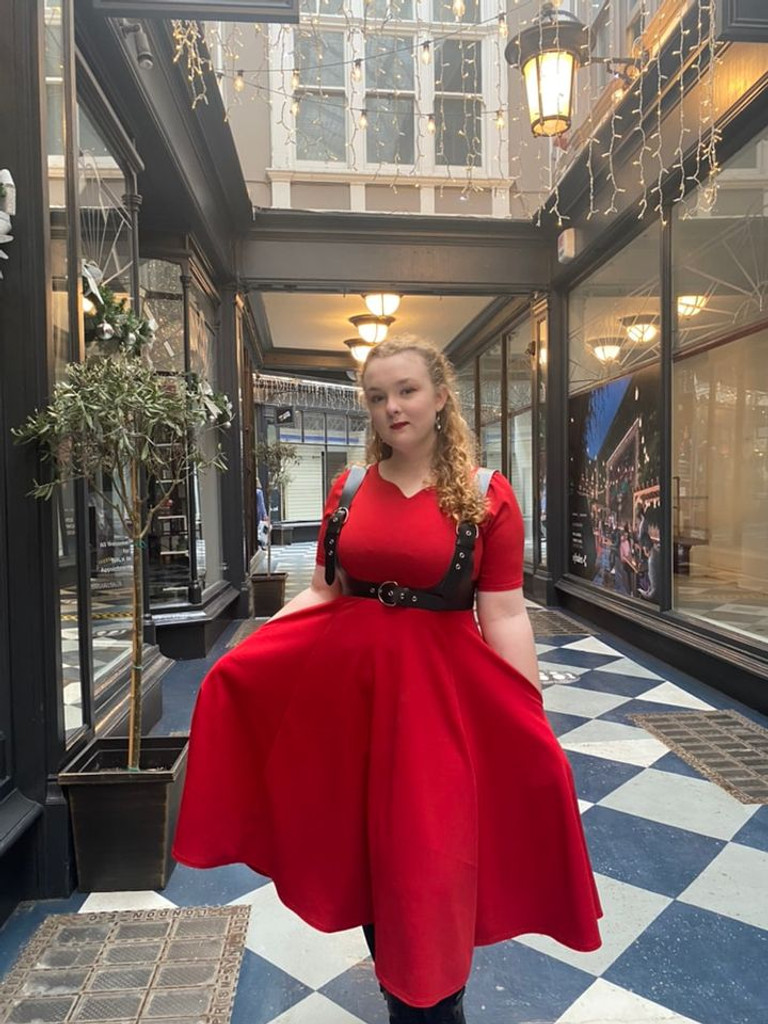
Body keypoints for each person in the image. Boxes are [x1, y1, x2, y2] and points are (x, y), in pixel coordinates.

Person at [173, 338, 602, 1022]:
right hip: (350, 708)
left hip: (436, 709)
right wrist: (248, 655)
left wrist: (529, 719)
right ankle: (403, 987)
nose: (391, 408)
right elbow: (324, 594)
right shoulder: (347, 490)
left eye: (405, 391)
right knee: (371, 862)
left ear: (439, 397)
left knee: (428, 867)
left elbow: (506, 614)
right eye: (377, 397)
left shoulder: (487, 495)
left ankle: (433, 1001)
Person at [256, 483, 269, 550]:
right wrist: (265, 515)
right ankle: (262, 543)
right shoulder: (259, 492)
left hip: (253, 513)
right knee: (261, 529)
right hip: (258, 513)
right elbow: (261, 504)